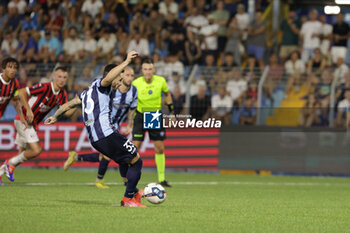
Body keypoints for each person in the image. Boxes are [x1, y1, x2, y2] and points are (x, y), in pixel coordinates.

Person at [45, 51, 145, 207]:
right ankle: (128, 198)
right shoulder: (102, 85)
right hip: (107, 133)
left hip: (96, 140)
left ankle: (134, 192)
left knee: (125, 161)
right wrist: (126, 62)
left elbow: (68, 105)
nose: (119, 83)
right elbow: (109, 78)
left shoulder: (86, 93)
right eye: (119, 79)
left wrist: (56, 116)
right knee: (137, 161)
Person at [64, 66, 137, 189]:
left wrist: (129, 124)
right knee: (109, 156)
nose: (129, 78)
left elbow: (132, 110)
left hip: (115, 126)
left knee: (106, 155)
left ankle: (76, 157)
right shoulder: (110, 86)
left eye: (132, 75)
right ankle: (100, 180)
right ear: (120, 75)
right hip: (102, 125)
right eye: (127, 75)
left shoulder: (134, 91)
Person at [0, 67, 70, 183]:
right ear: (54, 77)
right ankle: (9, 164)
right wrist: (28, 110)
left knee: (21, 155)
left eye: (64, 77)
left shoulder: (62, 94)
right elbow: (22, 92)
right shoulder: (45, 87)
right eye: (59, 76)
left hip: (32, 124)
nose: (61, 79)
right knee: (36, 150)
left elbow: (66, 112)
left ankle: (2, 171)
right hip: (23, 120)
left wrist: (75, 104)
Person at [132, 58, 174, 187]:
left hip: (154, 115)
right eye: (145, 69)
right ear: (142, 70)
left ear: (154, 70)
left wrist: (171, 112)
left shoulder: (160, 81)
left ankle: (161, 179)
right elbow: (130, 99)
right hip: (140, 114)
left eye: (150, 69)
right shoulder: (136, 83)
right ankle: (130, 177)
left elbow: (167, 95)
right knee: (134, 148)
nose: (148, 72)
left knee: (159, 148)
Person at [0, 58, 27, 185]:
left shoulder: (14, 83)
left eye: (15, 67)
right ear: (3, 68)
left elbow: (15, 101)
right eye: (10, 67)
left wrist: (21, 117)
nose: (13, 70)